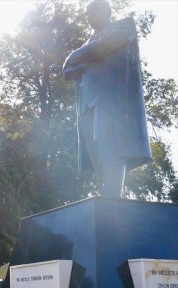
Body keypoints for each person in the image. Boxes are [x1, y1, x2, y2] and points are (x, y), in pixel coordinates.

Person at [63, 0, 151, 197]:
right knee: (93, 147)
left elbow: (107, 45)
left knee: (108, 140)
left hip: (110, 97)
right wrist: (87, 59)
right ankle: (104, 188)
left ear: (106, 10)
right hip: (86, 102)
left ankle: (113, 190)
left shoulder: (124, 26)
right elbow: (67, 71)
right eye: (86, 13)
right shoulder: (87, 43)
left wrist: (76, 56)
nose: (88, 16)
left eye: (92, 11)